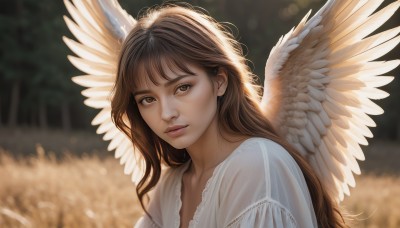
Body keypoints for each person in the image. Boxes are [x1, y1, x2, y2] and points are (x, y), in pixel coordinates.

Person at [111, 4, 346, 228]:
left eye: (182, 88)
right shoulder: (172, 184)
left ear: (220, 82)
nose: (166, 113)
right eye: (147, 99)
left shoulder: (255, 165)